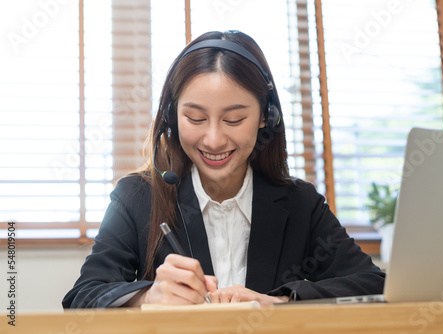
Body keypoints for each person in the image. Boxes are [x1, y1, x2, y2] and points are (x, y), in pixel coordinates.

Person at [62, 30, 385, 308]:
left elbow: (374, 284)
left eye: (234, 119)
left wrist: (281, 302)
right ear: (173, 117)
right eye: (196, 118)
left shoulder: (300, 203)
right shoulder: (137, 196)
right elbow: (83, 297)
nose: (214, 139)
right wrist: (146, 297)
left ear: (265, 117)